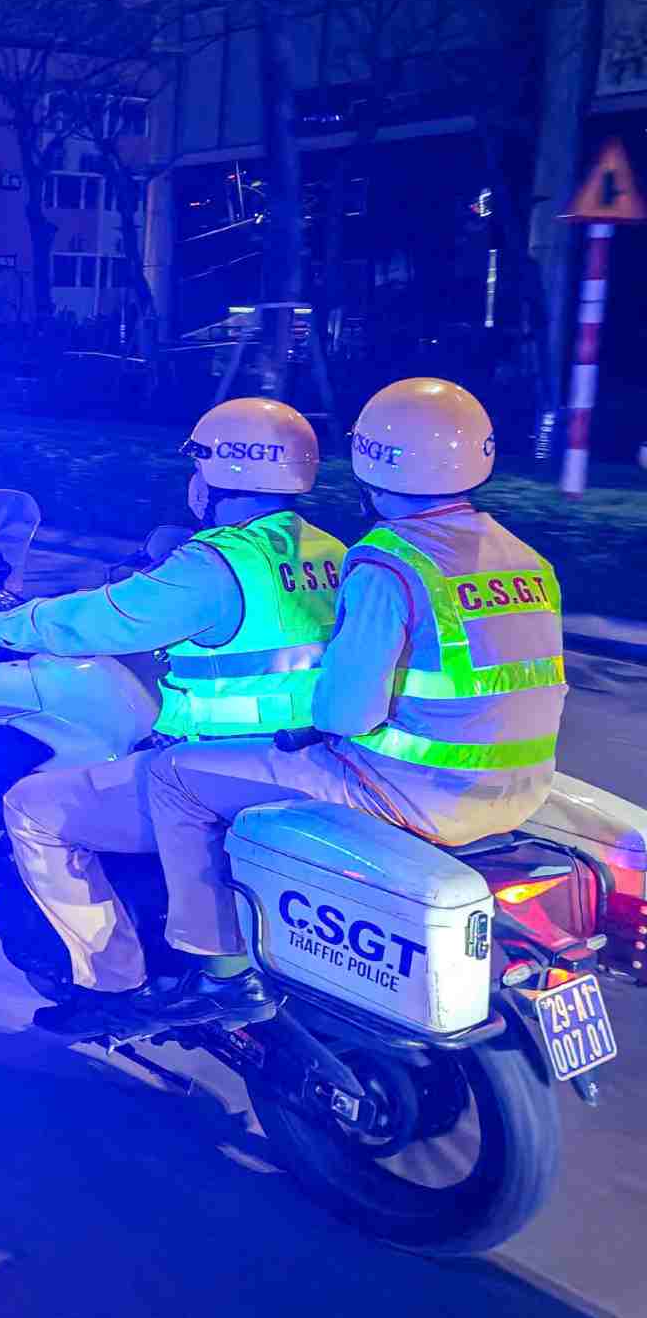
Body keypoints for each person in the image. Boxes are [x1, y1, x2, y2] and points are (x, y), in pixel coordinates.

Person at [144, 378, 566, 1026]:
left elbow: (345, 715)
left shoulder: (391, 562)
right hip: (519, 791)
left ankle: (217, 971)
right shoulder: (526, 558)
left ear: (371, 458)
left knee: (174, 779)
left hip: (415, 795)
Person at [0, 398, 347, 1035]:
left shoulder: (218, 564)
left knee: (33, 809)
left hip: (215, 768)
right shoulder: (333, 551)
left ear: (224, 470)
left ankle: (113, 987)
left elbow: (96, 620)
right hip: (309, 765)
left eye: (200, 461)